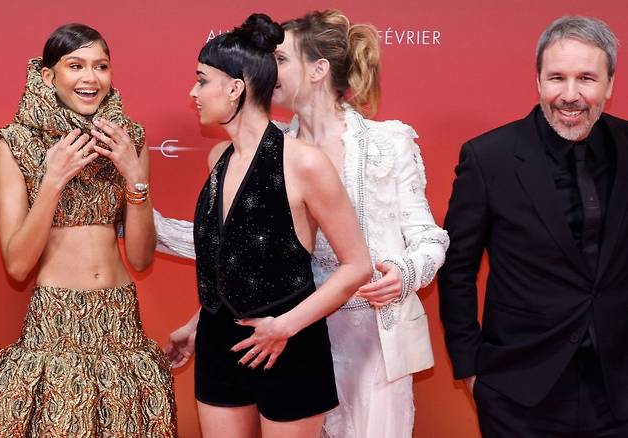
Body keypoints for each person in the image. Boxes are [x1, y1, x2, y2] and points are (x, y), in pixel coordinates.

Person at [158, 9, 448, 438]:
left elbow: (427, 238)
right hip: (290, 331)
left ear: (318, 70)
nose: (265, 67)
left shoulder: (388, 143)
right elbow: (247, 254)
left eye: (279, 59)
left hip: (368, 335)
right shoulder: (266, 147)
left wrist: (404, 274)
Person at [0, 24, 176, 436]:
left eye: (101, 66)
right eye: (76, 66)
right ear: (49, 76)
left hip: (121, 324)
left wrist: (135, 177)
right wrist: (52, 180)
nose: (91, 78)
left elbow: (140, 258)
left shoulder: (128, 138)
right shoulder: (16, 142)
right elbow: (17, 265)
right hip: (54, 326)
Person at [177, 13, 371, 438]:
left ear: (235, 88)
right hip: (217, 346)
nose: (193, 92)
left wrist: (284, 326)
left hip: (288, 348)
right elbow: (236, 258)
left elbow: (357, 266)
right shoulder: (217, 161)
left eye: (201, 80)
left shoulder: (304, 163)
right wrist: (198, 322)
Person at [438, 15, 628, 437]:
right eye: (557, 77)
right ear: (538, 81)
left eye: (587, 78)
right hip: (520, 391)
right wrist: (471, 368)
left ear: (610, 85)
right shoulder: (490, 158)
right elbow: (457, 271)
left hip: (618, 389)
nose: (570, 95)